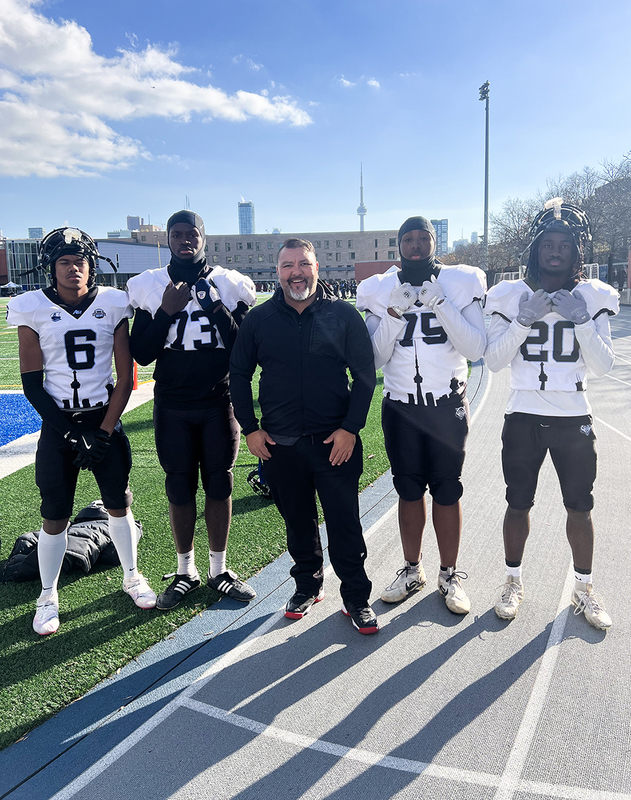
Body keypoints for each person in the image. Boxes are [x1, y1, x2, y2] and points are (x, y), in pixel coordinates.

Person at [7, 227, 156, 636]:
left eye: (80, 262)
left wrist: (104, 432)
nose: (74, 269)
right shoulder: (31, 307)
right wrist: (71, 435)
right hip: (59, 425)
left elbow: (126, 378)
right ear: (50, 268)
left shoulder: (111, 301)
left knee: (118, 503)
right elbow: (33, 385)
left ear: (92, 264)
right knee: (53, 514)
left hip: (102, 417)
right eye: (65, 263)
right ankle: (48, 595)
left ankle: (131, 575)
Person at [229, 238, 378, 634]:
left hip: (335, 444)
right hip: (279, 446)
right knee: (297, 522)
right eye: (287, 265)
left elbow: (364, 378)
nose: (296, 271)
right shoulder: (258, 321)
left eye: (303, 264)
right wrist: (251, 430)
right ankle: (308, 586)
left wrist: (350, 429)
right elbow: (239, 377)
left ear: (317, 267)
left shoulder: (343, 316)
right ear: (277, 272)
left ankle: (357, 597)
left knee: (344, 524)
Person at [484, 198, 618, 629]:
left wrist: (581, 322)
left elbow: (602, 367)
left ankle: (584, 588)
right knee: (517, 503)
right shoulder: (512, 296)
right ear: (535, 250)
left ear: (578, 251)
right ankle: (512, 580)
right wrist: (523, 321)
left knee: (580, 506)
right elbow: (494, 361)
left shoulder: (591, 297)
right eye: (547, 244)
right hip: (522, 413)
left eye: (564, 244)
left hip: (573, 415)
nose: (555, 251)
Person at [356, 217, 486, 614]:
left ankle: (450, 573)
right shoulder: (378, 289)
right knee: (408, 489)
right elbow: (374, 360)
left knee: (447, 489)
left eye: (422, 238)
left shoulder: (461, 281)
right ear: (398, 244)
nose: (415, 245)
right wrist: (394, 314)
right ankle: (413, 569)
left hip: (446, 404)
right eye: (407, 239)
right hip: (401, 406)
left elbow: (475, 347)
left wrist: (441, 304)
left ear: (434, 241)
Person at [127, 210, 256, 609]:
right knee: (178, 484)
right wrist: (166, 311)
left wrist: (214, 306)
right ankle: (186, 570)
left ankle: (218, 569)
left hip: (219, 400)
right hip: (173, 403)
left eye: (192, 233)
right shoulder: (149, 286)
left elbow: (243, 351)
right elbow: (142, 354)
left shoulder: (229, 284)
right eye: (177, 233)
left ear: (204, 237)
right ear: (167, 239)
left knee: (221, 482)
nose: (185, 240)